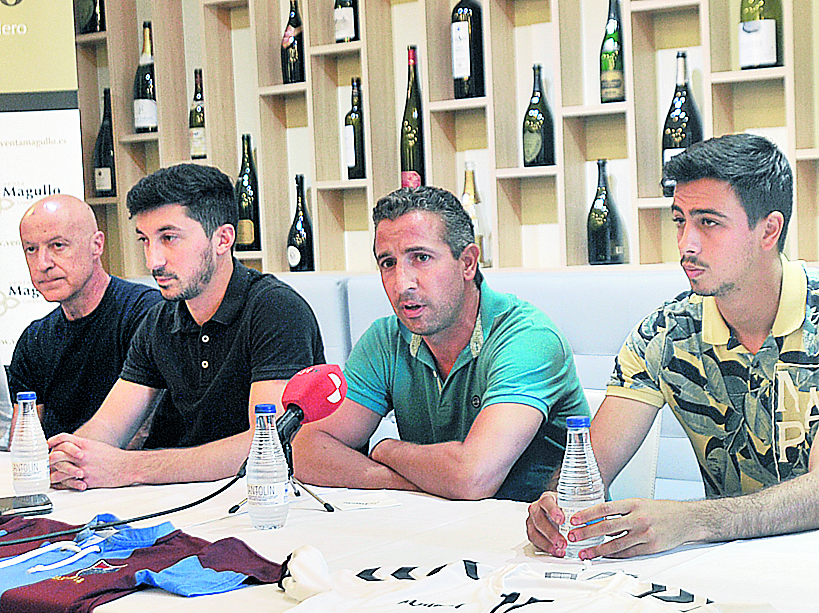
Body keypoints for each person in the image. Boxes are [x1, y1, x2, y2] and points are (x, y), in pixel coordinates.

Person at [527, 132, 819, 558]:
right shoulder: (664, 335)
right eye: (680, 220)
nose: (686, 245)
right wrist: (555, 506)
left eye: (709, 222)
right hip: (724, 569)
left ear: (768, 230)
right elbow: (591, 466)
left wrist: (692, 520)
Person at [292, 185, 587, 502]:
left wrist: (386, 448)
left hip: (546, 538)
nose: (402, 284)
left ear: (468, 263)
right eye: (388, 263)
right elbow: (305, 450)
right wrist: (408, 483)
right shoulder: (384, 339)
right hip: (442, 529)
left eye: (420, 258)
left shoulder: (528, 339)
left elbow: (472, 479)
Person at [48, 163, 324, 490]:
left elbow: (265, 445)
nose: (153, 261)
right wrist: (73, 456)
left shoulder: (276, 310)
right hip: (175, 502)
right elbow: (109, 427)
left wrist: (129, 468)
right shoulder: (158, 321)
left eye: (169, 238)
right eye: (145, 241)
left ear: (223, 239)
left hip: (256, 503)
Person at [8, 194, 162, 438]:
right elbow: (25, 443)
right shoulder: (33, 340)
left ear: (97, 245)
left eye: (57, 245)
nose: (42, 263)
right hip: (60, 470)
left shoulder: (146, 314)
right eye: (31, 249)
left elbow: (141, 433)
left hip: (130, 471)